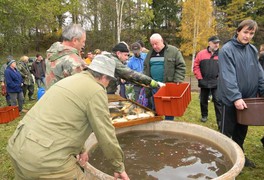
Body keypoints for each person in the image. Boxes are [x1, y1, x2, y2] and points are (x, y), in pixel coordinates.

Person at [7, 55, 130, 180]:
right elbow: (105, 133)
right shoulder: (96, 90)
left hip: (18, 146)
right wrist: (118, 167)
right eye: (109, 81)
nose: (107, 84)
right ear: (104, 77)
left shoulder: (70, 80)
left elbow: (64, 119)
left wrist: (81, 150)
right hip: (43, 161)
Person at [218, 19, 264, 168]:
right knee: (226, 132)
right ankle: (223, 160)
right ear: (238, 31)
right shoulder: (227, 49)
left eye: (251, 33)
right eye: (245, 32)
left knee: (241, 130)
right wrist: (236, 97)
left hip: (248, 100)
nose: (247, 36)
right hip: (230, 100)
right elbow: (227, 75)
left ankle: (240, 156)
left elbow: (259, 72)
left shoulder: (252, 50)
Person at [143, 33, 186, 120]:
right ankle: (156, 124)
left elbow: (181, 66)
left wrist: (178, 79)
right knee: (155, 108)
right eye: (152, 44)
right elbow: (146, 67)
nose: (154, 46)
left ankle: (168, 125)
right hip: (154, 86)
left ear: (162, 41)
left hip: (168, 86)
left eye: (156, 43)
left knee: (168, 109)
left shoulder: (173, 51)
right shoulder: (150, 53)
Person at [45, 24, 87, 89]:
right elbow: (84, 88)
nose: (84, 45)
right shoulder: (75, 62)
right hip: (67, 98)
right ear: (75, 40)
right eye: (83, 41)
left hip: (50, 96)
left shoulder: (52, 52)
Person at [193, 36, 222, 129]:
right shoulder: (201, 54)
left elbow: (225, 67)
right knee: (203, 100)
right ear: (209, 43)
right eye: (214, 43)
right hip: (204, 81)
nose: (216, 44)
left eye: (218, 42)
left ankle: (220, 122)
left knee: (218, 101)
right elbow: (196, 66)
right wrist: (200, 78)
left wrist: (220, 77)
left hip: (216, 82)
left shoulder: (222, 54)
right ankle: (204, 115)